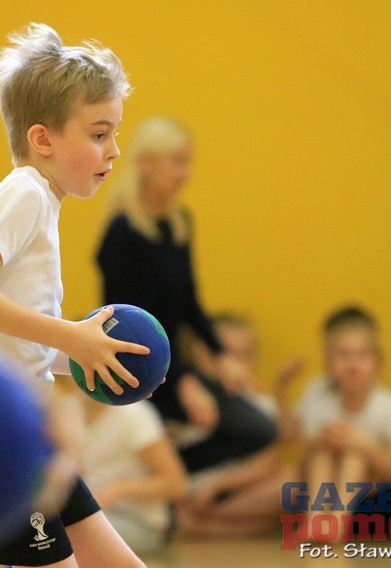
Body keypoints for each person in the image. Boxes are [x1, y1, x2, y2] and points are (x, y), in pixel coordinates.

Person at [0, 23, 146, 568]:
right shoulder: (23, 195)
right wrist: (73, 336)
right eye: (100, 134)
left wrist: (96, 360)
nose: (115, 149)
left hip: (23, 429)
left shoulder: (40, 202)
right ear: (43, 139)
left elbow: (8, 333)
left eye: (115, 133)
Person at [95, 116, 250, 432]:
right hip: (141, 370)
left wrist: (221, 355)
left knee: (258, 426)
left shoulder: (180, 223)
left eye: (188, 163)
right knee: (248, 429)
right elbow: (129, 327)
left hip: (175, 366)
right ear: (146, 164)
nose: (187, 174)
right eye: (178, 163)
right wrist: (184, 383)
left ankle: (182, 474)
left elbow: (190, 302)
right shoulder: (121, 234)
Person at [177, 314, 302, 537]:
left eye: (244, 355)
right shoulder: (189, 399)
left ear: (254, 359)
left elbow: (265, 464)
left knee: (292, 481)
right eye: (226, 353)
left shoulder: (260, 405)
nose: (234, 363)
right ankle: (219, 527)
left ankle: (203, 525)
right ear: (200, 353)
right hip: (188, 491)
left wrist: (218, 486)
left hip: (237, 491)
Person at [297, 307, 391, 533]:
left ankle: (338, 522)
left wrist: (364, 445)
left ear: (378, 365)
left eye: (362, 355)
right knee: (322, 452)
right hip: (328, 494)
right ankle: (316, 518)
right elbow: (304, 468)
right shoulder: (321, 402)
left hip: (379, 500)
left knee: (354, 453)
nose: (352, 363)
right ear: (328, 365)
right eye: (343, 355)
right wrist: (318, 443)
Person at [77, 395, 187, 555]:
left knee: (62, 536)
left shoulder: (134, 414)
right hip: (94, 514)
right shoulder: (66, 410)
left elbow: (176, 483)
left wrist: (115, 491)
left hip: (139, 522)